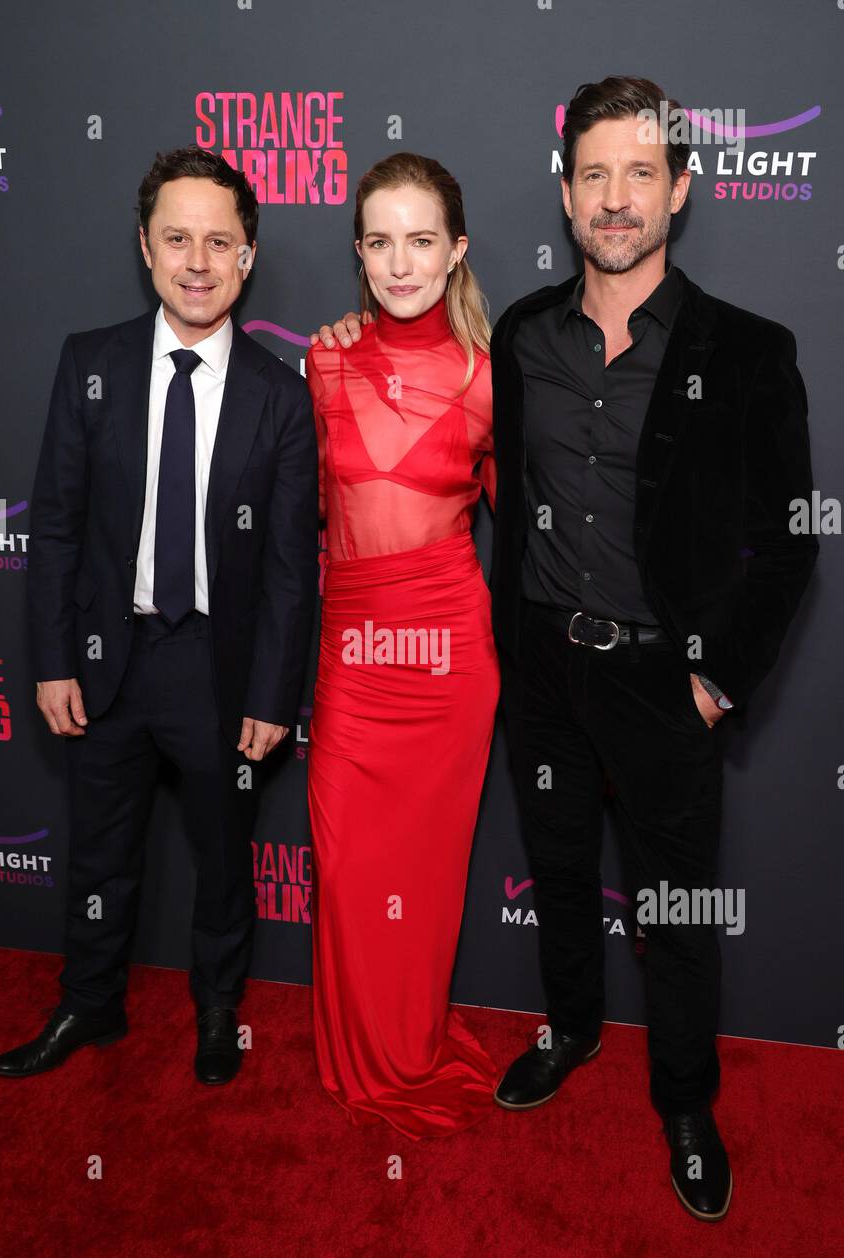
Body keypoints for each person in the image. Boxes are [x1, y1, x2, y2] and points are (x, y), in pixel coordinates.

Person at [314, 77, 819, 1218]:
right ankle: (570, 1029)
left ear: (680, 189)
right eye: (593, 172)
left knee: (676, 907)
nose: (615, 195)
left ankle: (684, 1102)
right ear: (564, 191)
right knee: (554, 877)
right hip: (537, 665)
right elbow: (411, 391)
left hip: (662, 679)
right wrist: (353, 329)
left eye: (640, 172)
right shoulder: (521, 340)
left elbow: (787, 545)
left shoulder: (745, 350)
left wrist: (710, 681)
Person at [0, 146, 319, 1086]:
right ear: (145, 246)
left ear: (248, 257)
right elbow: (53, 524)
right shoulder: (89, 364)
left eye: (220, 241)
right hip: (107, 659)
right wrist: (52, 661)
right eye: (177, 238)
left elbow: (295, 566)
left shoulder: (280, 394)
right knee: (99, 854)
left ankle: (219, 1010)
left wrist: (272, 692)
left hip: (218, 666)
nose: (198, 261)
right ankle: (89, 1006)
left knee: (224, 859)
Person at [305, 153, 499, 1139]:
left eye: (420, 239)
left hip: (445, 662)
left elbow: (548, 534)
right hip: (352, 663)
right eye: (378, 240)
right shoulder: (323, 358)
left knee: (420, 881)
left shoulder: (486, 377)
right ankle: (362, 1054)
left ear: (454, 250)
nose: (398, 261)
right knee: (345, 873)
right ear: (359, 252)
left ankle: (410, 1045)